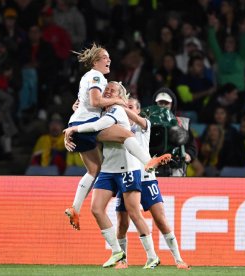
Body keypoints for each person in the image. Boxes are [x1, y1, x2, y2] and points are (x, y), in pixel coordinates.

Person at [63, 44, 171, 230]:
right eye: (105, 57)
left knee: (93, 170)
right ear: (96, 61)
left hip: (78, 123)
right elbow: (96, 102)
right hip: (87, 127)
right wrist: (118, 101)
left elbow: (87, 103)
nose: (109, 60)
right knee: (125, 134)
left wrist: (72, 127)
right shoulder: (97, 77)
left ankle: (75, 208)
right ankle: (149, 161)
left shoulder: (87, 77)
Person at [65, 82, 161, 269]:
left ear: (120, 96)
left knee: (133, 213)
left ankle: (152, 256)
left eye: (113, 90)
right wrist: (77, 115)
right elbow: (89, 117)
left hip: (128, 168)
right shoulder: (98, 111)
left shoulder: (117, 110)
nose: (108, 91)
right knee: (96, 209)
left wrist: (75, 129)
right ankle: (117, 252)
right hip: (109, 168)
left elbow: (102, 125)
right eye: (106, 89)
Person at [114, 96, 190, 270]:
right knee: (122, 223)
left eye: (131, 107)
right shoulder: (117, 128)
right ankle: (123, 260)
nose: (127, 109)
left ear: (138, 110)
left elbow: (138, 121)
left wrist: (119, 106)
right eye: (125, 106)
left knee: (160, 219)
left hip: (146, 178)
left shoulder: (143, 125)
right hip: (125, 176)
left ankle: (178, 259)